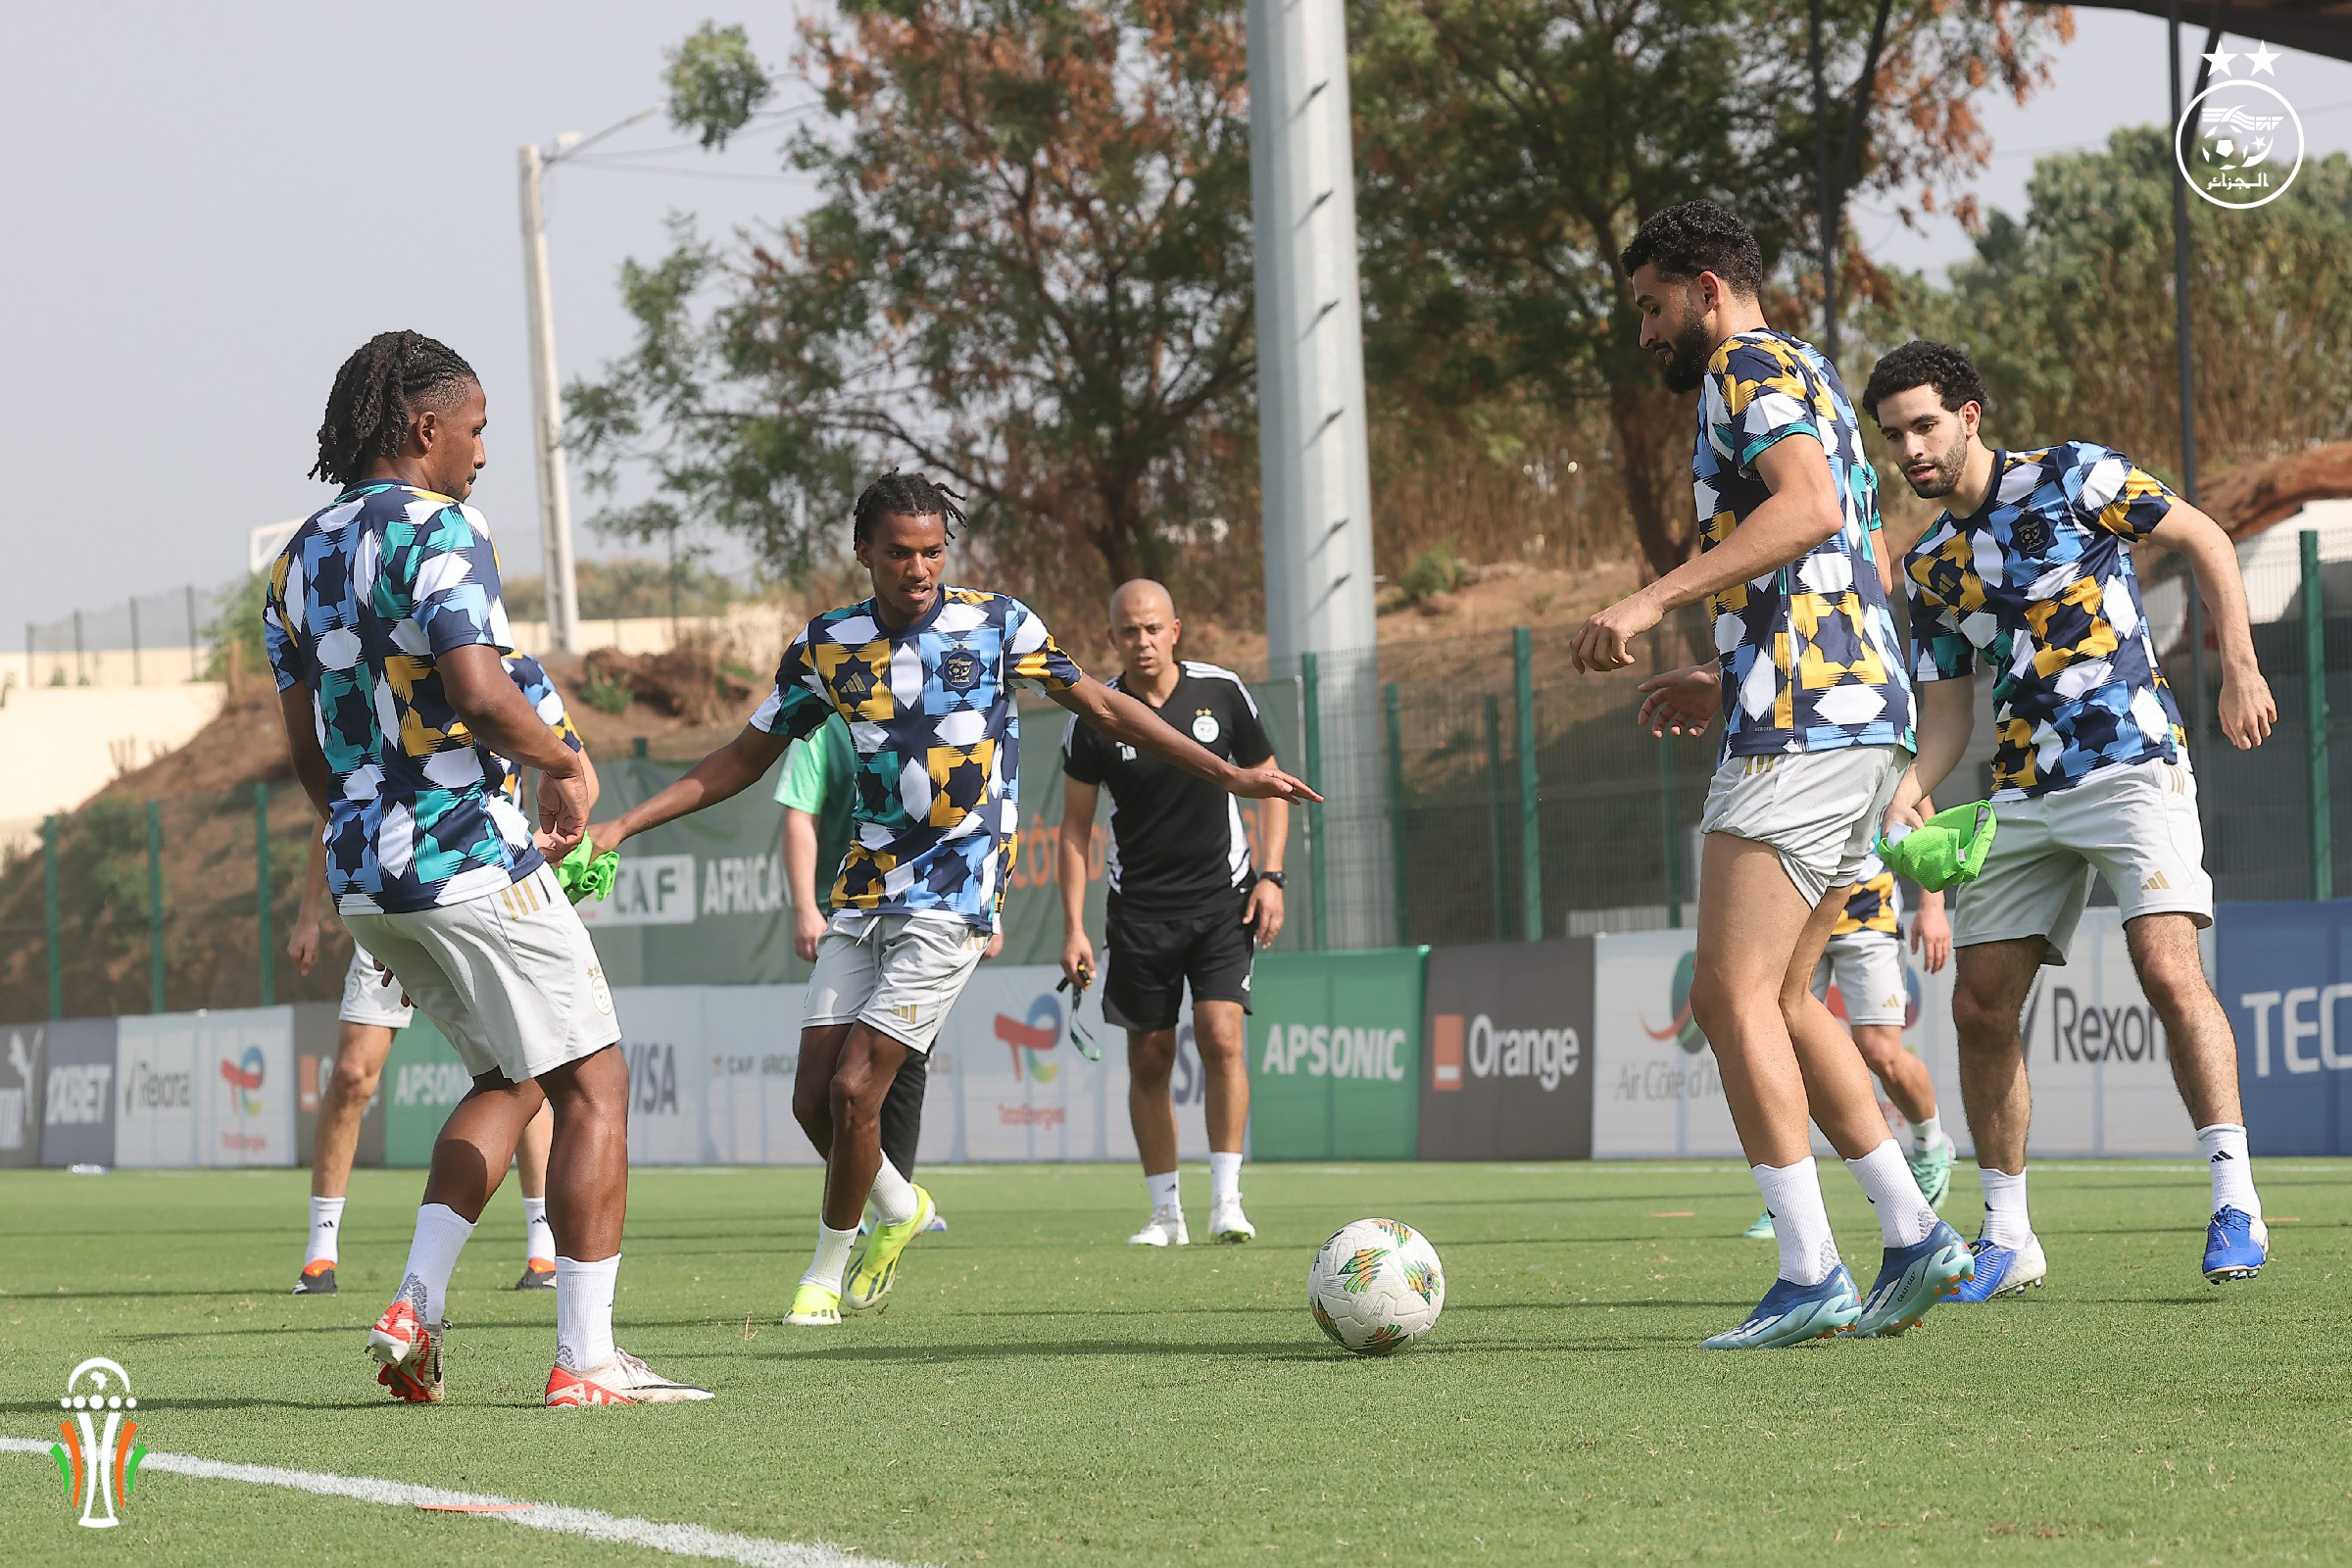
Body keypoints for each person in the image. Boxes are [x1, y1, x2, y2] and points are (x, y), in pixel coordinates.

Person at [587, 471, 1316, 1328]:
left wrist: (1230, 774)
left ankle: (824, 1274)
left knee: (857, 1089)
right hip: (864, 889)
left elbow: (1109, 710)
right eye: (900, 552)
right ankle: (901, 1206)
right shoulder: (827, 646)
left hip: (957, 890)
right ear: (864, 551)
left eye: (933, 551)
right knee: (811, 1099)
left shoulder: (1000, 625)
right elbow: (743, 758)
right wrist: (622, 824)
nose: (919, 568)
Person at [267, 329, 708, 1405]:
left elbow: (309, 752)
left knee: (510, 1078)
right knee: (596, 1082)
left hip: (368, 876)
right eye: (474, 430)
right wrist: (563, 763)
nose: (479, 452)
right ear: (426, 427)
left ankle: (414, 1308)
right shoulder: (444, 528)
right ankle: (587, 1362)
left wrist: (369, 836)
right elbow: (477, 688)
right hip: (465, 857)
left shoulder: (295, 558)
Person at [1577, 201, 1968, 1348]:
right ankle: (1913, 1232)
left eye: (1652, 306)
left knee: (1727, 996)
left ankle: (1808, 1272)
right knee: (1789, 1001)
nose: (1645, 331)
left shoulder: (1739, 366)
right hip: (1858, 714)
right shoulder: (1807, 366)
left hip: (1800, 726)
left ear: (1705, 289)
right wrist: (1722, 667)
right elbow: (1845, 550)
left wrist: (1651, 599)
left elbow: (1805, 510)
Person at [1861, 338, 2279, 1296]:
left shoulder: (2075, 474)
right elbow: (1947, 719)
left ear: (1968, 416)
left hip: (2132, 763)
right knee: (1978, 1006)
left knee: (2167, 970)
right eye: (1894, 437)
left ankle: (2236, 1201)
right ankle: (2009, 1235)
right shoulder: (1929, 566)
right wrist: (1904, 791)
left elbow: (2207, 539)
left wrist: (2240, 665)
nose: (1910, 450)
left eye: (1924, 425)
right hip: (2019, 793)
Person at [286, 651, 597, 1298]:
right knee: (358, 1072)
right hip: (394, 888)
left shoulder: (517, 675)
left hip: (474, 890)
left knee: (525, 1068)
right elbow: (335, 802)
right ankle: (324, 1252)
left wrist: (555, 836)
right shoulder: (372, 664)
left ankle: (538, 1246)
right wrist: (314, 913)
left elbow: (574, 766)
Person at [1057, 579, 1288, 1246]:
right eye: (1129, 631)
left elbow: (1272, 785)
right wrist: (1073, 927)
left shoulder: (1223, 692)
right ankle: (1165, 1214)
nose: (1143, 641)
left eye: (1154, 628)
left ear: (1176, 631)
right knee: (1151, 1059)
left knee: (1221, 1037)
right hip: (1139, 912)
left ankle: (1227, 1202)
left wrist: (1272, 878)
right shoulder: (1095, 714)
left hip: (1223, 902)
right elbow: (1074, 829)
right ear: (1112, 638)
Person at [778, 709, 988, 1233]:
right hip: (847, 907)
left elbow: (981, 803)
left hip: (930, 906)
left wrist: (984, 904)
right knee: (827, 1086)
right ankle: (895, 1201)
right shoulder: (823, 723)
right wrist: (804, 906)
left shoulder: (944, 701)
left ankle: (891, 1208)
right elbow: (799, 814)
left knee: (901, 1061)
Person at [1742, 848, 1957, 1239]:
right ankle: (1787, 1202)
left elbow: (1925, 823)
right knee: (1783, 1054)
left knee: (1880, 1052)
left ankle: (1930, 1147)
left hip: (1867, 909)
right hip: (1795, 911)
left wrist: (1933, 904)